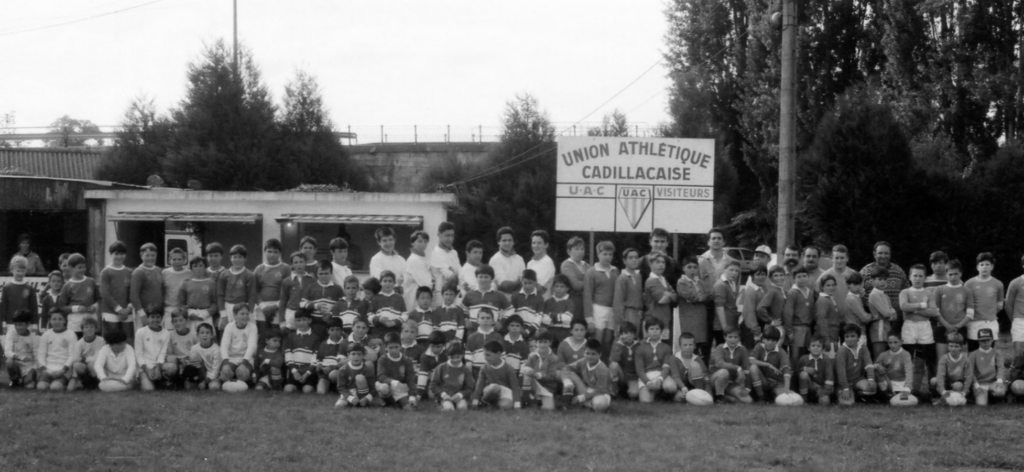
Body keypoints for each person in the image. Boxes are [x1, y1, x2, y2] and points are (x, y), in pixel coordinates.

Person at [899, 264, 938, 394]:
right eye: (915, 275)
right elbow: (903, 307)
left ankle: (933, 392)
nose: (917, 278)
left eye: (921, 276)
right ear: (910, 277)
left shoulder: (929, 293)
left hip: (925, 327)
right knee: (908, 360)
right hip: (909, 326)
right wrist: (921, 305)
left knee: (928, 360)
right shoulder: (905, 292)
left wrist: (913, 310)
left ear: (925, 278)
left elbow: (933, 312)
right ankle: (907, 390)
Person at [859, 241, 909, 335]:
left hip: (895, 318)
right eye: (880, 253)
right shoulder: (865, 272)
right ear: (874, 254)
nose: (883, 255)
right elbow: (858, 293)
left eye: (886, 253)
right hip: (875, 319)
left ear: (890, 254)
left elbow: (906, 290)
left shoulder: (898, 271)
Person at [964, 252, 1004, 352]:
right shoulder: (969, 283)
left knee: (989, 353)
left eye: (987, 264)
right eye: (982, 264)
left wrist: (988, 315)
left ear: (992, 266)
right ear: (977, 267)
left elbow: (999, 306)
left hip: (991, 322)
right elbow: (964, 305)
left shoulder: (998, 284)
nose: (984, 267)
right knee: (973, 353)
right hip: (974, 323)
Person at [585, 241, 619, 351]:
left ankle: (605, 366)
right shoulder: (591, 272)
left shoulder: (615, 271)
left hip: (612, 310)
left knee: (608, 341)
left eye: (610, 254)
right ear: (598, 254)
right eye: (605, 254)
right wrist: (589, 319)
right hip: (598, 310)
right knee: (597, 341)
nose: (608, 257)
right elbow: (587, 295)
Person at [217, 245, 258, 336]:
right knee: (228, 335)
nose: (237, 260)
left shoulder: (249, 275)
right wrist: (223, 314)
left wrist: (249, 313)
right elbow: (220, 295)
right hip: (228, 308)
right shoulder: (224, 274)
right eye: (234, 257)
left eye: (240, 257)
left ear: (245, 258)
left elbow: (252, 295)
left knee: (245, 334)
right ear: (230, 258)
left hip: (244, 308)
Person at [460, 264, 510, 337]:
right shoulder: (469, 294)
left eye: (486, 277)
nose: (483, 280)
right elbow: (462, 308)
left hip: (492, 332)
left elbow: (510, 309)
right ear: (476, 278)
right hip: (473, 332)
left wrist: (502, 322)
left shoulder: (499, 295)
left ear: (492, 279)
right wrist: (466, 319)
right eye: (480, 277)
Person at [564, 339, 612, 412]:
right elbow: (567, 367)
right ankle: (567, 400)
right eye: (587, 353)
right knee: (570, 373)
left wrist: (582, 397)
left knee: (599, 404)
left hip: (600, 393)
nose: (590, 356)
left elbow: (601, 390)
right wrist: (566, 381)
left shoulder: (602, 369)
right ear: (584, 353)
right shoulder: (583, 361)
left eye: (593, 354)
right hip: (585, 390)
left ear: (599, 354)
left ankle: (585, 403)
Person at [471, 340, 522, 409]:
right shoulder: (484, 368)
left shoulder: (509, 369)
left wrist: (517, 404)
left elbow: (515, 387)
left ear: (498, 354)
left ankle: (493, 405)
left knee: (505, 406)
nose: (485, 358)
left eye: (488, 355)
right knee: (495, 387)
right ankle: (483, 401)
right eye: (484, 355)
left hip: (505, 392)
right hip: (491, 390)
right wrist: (475, 400)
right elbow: (480, 385)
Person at [254, 238, 290, 335]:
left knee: (276, 335)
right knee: (262, 335)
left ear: (280, 253)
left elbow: (288, 291)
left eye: (275, 252)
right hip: (262, 308)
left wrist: (275, 306)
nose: (272, 254)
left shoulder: (286, 268)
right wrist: (263, 307)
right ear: (265, 252)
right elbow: (254, 290)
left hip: (279, 307)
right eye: (269, 251)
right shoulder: (259, 268)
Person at [57, 253, 98, 338]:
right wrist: (76, 309)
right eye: (79, 267)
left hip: (90, 322)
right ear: (71, 268)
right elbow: (61, 306)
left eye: (84, 267)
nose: (82, 270)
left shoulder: (91, 281)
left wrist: (95, 307)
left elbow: (99, 299)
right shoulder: (67, 285)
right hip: (75, 323)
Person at [520, 331, 564, 409]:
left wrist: (539, 375)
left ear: (550, 343)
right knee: (526, 373)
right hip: (534, 384)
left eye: (545, 342)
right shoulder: (532, 356)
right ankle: (525, 401)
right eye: (540, 342)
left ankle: (538, 399)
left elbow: (551, 376)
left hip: (547, 387)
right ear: (537, 343)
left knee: (548, 408)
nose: (542, 345)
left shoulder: (554, 358)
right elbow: (526, 368)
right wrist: (528, 370)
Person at [35, 309, 77, 391]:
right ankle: (49, 382)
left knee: (55, 388)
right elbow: (41, 354)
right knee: (41, 387)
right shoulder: (46, 335)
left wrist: (63, 370)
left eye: (60, 319)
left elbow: (72, 355)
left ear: (65, 320)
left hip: (63, 369)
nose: (57, 322)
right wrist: (44, 369)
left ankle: (66, 382)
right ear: (50, 321)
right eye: (54, 319)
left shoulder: (71, 334)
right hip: (48, 369)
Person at [677, 256, 709, 360]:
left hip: (701, 320)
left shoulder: (700, 283)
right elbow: (695, 297)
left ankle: (702, 372)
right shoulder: (682, 282)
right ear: (683, 268)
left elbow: (707, 296)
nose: (692, 270)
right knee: (691, 346)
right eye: (689, 267)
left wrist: (703, 296)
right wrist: (702, 296)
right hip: (689, 320)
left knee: (703, 348)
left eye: (695, 267)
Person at [635, 318, 674, 403]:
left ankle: (663, 394)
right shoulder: (640, 348)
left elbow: (666, 366)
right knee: (645, 401)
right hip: (647, 375)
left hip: (661, 375)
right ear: (646, 331)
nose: (655, 331)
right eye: (652, 329)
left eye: (657, 329)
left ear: (661, 331)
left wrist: (660, 379)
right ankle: (655, 393)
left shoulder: (666, 347)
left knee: (671, 387)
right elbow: (639, 369)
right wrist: (647, 382)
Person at [748, 327, 792, 403]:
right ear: (763, 339)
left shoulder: (781, 352)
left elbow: (787, 370)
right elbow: (750, 360)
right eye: (768, 340)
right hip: (764, 381)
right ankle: (761, 397)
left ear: (777, 341)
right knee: (753, 368)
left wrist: (787, 388)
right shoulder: (759, 346)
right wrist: (767, 364)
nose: (770, 342)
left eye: (773, 340)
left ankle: (772, 395)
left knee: (787, 401)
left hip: (777, 382)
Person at [302, 260, 344, 340]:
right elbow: (302, 303)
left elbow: (342, 305)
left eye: (326, 273)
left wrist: (331, 314)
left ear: (331, 273)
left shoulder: (337, 288)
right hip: (314, 324)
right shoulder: (311, 287)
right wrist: (315, 306)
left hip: (331, 325)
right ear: (316, 274)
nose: (323, 276)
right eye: (320, 274)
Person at [835, 324, 876, 403]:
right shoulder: (842, 350)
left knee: (871, 388)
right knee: (847, 404)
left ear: (858, 337)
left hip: (857, 379)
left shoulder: (863, 347)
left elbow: (869, 363)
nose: (849, 339)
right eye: (847, 336)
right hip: (845, 382)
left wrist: (871, 379)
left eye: (852, 336)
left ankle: (856, 394)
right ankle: (845, 392)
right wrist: (845, 387)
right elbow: (841, 372)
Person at [219, 303, 258, 386]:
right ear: (235, 315)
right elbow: (224, 346)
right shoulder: (229, 327)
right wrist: (226, 364)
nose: (245, 316)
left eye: (247, 314)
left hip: (245, 358)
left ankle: (248, 377)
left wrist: (244, 364)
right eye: (242, 314)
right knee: (225, 375)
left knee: (243, 374)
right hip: (231, 358)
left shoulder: (252, 327)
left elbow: (252, 347)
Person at [376, 332, 418, 409]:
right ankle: (388, 402)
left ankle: (398, 402)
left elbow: (411, 379)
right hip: (387, 385)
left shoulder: (407, 360)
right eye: (390, 348)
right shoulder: (382, 360)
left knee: (410, 408)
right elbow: (380, 376)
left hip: (400, 388)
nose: (394, 350)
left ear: (400, 346)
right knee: (383, 388)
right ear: (385, 347)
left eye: (396, 347)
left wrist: (412, 395)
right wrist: (392, 381)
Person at [784, 267, 815, 367]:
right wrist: (789, 331)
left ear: (808, 277)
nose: (802, 279)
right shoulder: (792, 292)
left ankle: (803, 377)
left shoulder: (810, 292)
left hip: (808, 328)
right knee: (795, 356)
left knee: (806, 355)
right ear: (794, 278)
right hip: (796, 328)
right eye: (799, 276)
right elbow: (788, 312)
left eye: (804, 276)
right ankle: (793, 377)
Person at [283, 309, 320, 394]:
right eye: (298, 320)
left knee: (307, 390)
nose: (301, 323)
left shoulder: (315, 337)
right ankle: (297, 385)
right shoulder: (290, 337)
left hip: (309, 372)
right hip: (295, 370)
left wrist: (307, 373)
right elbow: (288, 356)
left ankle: (308, 385)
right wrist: (294, 372)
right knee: (288, 390)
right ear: (295, 322)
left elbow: (315, 358)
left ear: (310, 320)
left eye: (304, 320)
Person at [710, 329, 751, 403]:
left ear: (739, 338)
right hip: (716, 379)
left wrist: (747, 388)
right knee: (724, 372)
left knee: (748, 400)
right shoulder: (720, 348)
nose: (733, 340)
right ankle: (719, 396)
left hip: (731, 382)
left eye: (735, 337)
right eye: (730, 337)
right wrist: (738, 368)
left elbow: (746, 369)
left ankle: (726, 397)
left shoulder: (742, 349)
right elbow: (720, 364)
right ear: (725, 337)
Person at [430, 342, 475, 411]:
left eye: (458, 357)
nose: (455, 360)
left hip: (459, 397)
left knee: (462, 408)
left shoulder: (465, 370)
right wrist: (443, 395)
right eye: (452, 357)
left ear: (462, 355)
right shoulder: (441, 367)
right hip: (445, 397)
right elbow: (433, 385)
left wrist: (460, 395)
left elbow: (469, 387)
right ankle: (441, 406)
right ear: (447, 355)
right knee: (449, 409)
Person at [818, 245, 857, 322]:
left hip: (850, 320)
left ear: (847, 258)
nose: (839, 261)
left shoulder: (854, 275)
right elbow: (818, 297)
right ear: (832, 259)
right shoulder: (824, 276)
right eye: (836, 258)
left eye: (842, 258)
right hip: (831, 321)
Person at [968, 328, 1007, 406]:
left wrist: (999, 381)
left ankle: (995, 396)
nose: (985, 343)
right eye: (982, 341)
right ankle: (983, 396)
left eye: (988, 340)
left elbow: (1000, 367)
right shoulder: (972, 354)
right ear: (978, 341)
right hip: (980, 383)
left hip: (993, 382)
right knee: (981, 404)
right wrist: (976, 385)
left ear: (992, 340)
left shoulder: (997, 353)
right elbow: (970, 372)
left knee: (999, 392)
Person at [666, 332, 709, 402]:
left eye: (690, 345)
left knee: (695, 365)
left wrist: (707, 394)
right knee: (679, 398)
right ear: (680, 346)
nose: (688, 347)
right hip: (680, 387)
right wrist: (683, 388)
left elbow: (706, 377)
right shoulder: (674, 358)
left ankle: (698, 394)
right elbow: (675, 376)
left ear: (695, 346)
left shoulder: (698, 359)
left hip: (694, 386)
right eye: (685, 345)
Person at [179, 257, 218, 333]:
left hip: (206, 316)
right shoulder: (186, 283)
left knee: (206, 340)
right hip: (191, 316)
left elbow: (215, 303)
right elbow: (181, 303)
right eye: (195, 266)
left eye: (201, 265)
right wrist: (188, 314)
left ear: (205, 267)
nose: (198, 268)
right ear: (191, 269)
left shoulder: (211, 283)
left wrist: (205, 314)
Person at [135, 309, 170, 391]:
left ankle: (161, 381)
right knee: (149, 389)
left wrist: (158, 367)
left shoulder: (166, 333)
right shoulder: (140, 332)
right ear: (147, 318)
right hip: (144, 367)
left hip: (158, 365)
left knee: (172, 368)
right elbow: (138, 354)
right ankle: (144, 379)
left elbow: (162, 353)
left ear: (162, 318)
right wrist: (147, 369)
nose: (155, 320)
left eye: (158, 317)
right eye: (152, 317)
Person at [279, 251, 314, 333]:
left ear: (306, 263)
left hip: (306, 313)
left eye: (301, 262)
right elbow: (283, 302)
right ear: (292, 264)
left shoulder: (312, 280)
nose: (299, 264)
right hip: (291, 314)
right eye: (296, 262)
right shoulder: (287, 281)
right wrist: (282, 322)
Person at [1, 255, 38, 333]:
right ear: (12, 270)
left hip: (26, 323)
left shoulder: (29, 288)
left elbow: (34, 307)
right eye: (18, 271)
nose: (20, 273)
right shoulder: (6, 288)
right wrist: (3, 322)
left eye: (22, 271)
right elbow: (3, 307)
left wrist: (34, 323)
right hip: (10, 323)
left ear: (25, 271)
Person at [645, 254, 677, 344]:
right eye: (658, 262)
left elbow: (675, 297)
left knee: (665, 349)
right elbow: (662, 300)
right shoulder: (651, 280)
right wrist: (670, 295)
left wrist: (669, 295)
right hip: (654, 321)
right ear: (650, 264)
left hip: (664, 320)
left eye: (663, 262)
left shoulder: (663, 279)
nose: (661, 265)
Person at [867, 267, 897, 359]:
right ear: (872, 281)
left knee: (885, 359)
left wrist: (891, 313)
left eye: (885, 279)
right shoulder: (873, 295)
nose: (883, 282)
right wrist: (890, 313)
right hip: (878, 330)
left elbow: (894, 315)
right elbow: (887, 313)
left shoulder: (886, 296)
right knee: (879, 359)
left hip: (886, 329)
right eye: (880, 279)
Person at [67, 316, 105, 391]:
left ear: (96, 329)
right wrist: (75, 376)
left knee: (92, 364)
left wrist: (86, 360)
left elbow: (98, 356)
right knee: (70, 388)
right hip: (83, 367)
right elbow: (76, 359)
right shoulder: (79, 343)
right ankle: (85, 382)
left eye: (91, 327)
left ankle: (96, 382)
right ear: (82, 330)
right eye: (86, 327)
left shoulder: (101, 340)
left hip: (96, 365)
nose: (89, 329)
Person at [334, 343, 377, 408]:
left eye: (359, 354)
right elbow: (341, 387)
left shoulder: (367, 369)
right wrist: (350, 398)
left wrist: (367, 398)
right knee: (338, 407)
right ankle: (353, 403)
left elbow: (373, 388)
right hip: (349, 394)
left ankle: (363, 402)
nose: (356, 356)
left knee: (360, 378)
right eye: (353, 354)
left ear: (363, 355)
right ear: (348, 355)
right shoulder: (343, 370)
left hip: (363, 394)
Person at [873, 331, 913, 399]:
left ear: (901, 342)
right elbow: (874, 365)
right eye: (890, 343)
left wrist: (907, 386)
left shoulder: (905, 354)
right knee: (876, 371)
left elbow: (909, 371)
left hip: (901, 383)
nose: (892, 345)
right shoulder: (883, 354)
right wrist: (878, 366)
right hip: (888, 383)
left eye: (895, 342)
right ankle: (886, 394)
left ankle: (889, 395)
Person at [4, 310, 39, 387]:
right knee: (9, 362)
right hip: (16, 364)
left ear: (28, 324)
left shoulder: (34, 338)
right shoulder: (11, 333)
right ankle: (15, 380)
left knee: (30, 387)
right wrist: (19, 357)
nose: (18, 327)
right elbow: (7, 352)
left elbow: (37, 359)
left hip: (29, 367)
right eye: (16, 325)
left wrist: (31, 372)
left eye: (20, 325)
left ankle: (26, 380)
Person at [368, 270, 406, 341]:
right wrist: (379, 319)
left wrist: (395, 322)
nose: (387, 283)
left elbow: (405, 315)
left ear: (394, 283)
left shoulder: (399, 298)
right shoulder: (376, 298)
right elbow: (369, 315)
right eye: (385, 281)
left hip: (395, 331)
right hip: (379, 331)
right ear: (380, 283)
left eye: (390, 281)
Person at [163, 311, 197, 388]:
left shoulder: (194, 335)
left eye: (181, 320)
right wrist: (179, 360)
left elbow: (198, 353)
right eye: (175, 321)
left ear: (187, 321)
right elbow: (169, 354)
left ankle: (190, 381)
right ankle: (173, 381)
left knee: (194, 358)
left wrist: (187, 360)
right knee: (171, 359)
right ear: (172, 323)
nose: (178, 323)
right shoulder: (170, 335)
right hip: (177, 362)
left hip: (190, 362)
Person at [183, 322, 222, 391]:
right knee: (193, 356)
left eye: (207, 333)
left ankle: (205, 384)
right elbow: (192, 366)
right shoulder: (194, 348)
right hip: (200, 374)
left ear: (212, 335)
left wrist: (206, 381)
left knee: (214, 388)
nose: (205, 335)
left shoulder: (216, 349)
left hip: (213, 376)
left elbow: (216, 370)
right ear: (198, 335)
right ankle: (196, 382)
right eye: (202, 333)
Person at [429, 222, 460, 306]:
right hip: (440, 299)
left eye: (452, 236)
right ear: (439, 235)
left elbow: (461, 275)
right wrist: (455, 275)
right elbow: (452, 279)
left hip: (454, 298)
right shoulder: (436, 253)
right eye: (447, 235)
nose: (450, 239)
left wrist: (455, 274)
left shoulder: (454, 253)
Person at [796, 336, 834, 404]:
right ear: (808, 348)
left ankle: (821, 397)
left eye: (819, 346)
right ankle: (804, 399)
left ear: (822, 349)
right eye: (813, 346)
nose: (816, 348)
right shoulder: (803, 359)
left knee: (825, 402)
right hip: (810, 385)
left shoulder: (826, 359)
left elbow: (830, 377)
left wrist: (825, 392)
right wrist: (804, 369)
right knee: (803, 374)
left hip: (822, 387)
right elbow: (796, 372)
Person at [613, 248, 644, 330]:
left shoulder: (638, 276)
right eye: (630, 258)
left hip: (637, 313)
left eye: (636, 257)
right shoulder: (622, 278)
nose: (634, 260)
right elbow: (618, 301)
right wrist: (620, 321)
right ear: (624, 261)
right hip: (627, 313)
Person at [697, 228, 735, 296]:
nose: (716, 240)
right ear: (708, 242)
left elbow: (735, 285)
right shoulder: (700, 262)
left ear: (724, 242)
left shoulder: (731, 262)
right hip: (706, 302)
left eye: (719, 238)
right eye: (713, 238)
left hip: (725, 301)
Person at [608, 321, 640, 400]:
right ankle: (614, 390)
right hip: (621, 375)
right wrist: (619, 345)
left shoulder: (638, 345)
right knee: (614, 365)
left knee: (634, 394)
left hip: (633, 376)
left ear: (634, 335)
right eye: (625, 333)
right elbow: (614, 360)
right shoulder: (617, 345)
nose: (628, 336)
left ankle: (624, 392)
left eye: (631, 334)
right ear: (621, 334)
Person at [314, 318, 347, 395]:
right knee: (320, 392)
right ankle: (330, 386)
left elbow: (344, 363)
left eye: (338, 329)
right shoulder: (323, 344)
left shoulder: (345, 343)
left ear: (342, 330)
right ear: (328, 331)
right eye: (332, 330)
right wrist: (319, 365)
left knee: (333, 375)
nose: (335, 332)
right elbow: (319, 359)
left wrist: (332, 368)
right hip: (324, 373)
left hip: (337, 372)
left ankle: (338, 386)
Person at [931, 332, 967, 402]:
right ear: (947, 346)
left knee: (958, 386)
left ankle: (955, 397)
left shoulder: (965, 360)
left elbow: (968, 377)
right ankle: (936, 397)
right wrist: (943, 392)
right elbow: (940, 376)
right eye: (951, 346)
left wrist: (965, 392)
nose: (953, 348)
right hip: (946, 383)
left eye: (956, 346)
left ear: (961, 347)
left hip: (958, 383)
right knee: (934, 381)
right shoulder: (943, 359)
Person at [402, 231, 434, 310]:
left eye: (425, 241)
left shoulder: (423, 258)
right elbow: (426, 283)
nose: (423, 244)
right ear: (412, 243)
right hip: (414, 300)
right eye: (419, 241)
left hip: (421, 298)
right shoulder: (414, 260)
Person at [560, 236, 590, 320]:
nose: (580, 252)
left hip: (587, 302)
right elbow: (576, 285)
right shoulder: (566, 265)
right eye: (576, 249)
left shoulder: (587, 265)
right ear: (568, 251)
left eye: (582, 249)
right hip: (573, 302)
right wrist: (590, 283)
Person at [162, 248, 192, 331]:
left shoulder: (189, 273)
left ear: (184, 260)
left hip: (184, 309)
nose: (177, 262)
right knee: (169, 334)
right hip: (169, 309)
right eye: (174, 259)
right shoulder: (165, 273)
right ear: (169, 260)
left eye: (179, 259)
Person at [757, 266, 787, 347]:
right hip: (774, 327)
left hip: (781, 326)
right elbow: (760, 308)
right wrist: (770, 321)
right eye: (776, 275)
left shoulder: (780, 290)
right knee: (772, 350)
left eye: (781, 275)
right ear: (770, 278)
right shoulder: (772, 291)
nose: (779, 278)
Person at [489, 227, 525, 295]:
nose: (507, 243)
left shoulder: (519, 259)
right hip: (501, 299)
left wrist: (522, 282)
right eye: (504, 240)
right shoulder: (495, 260)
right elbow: (504, 286)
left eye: (510, 240)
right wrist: (520, 282)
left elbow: (525, 282)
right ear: (498, 242)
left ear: (513, 242)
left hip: (518, 298)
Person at [466, 308, 502, 375]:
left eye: (488, 318)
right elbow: (468, 359)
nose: (485, 320)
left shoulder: (497, 337)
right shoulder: (472, 337)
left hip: (493, 370)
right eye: (482, 318)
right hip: (476, 370)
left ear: (493, 321)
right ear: (477, 320)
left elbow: (502, 356)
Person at [739, 265, 767, 349]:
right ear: (752, 276)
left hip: (760, 325)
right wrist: (756, 332)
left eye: (763, 274)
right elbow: (749, 312)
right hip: (751, 328)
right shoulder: (751, 290)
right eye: (758, 275)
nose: (761, 277)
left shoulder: (762, 288)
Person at [543, 275, 575, 345]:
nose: (559, 289)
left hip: (565, 333)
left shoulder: (569, 302)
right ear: (553, 288)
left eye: (562, 286)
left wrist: (552, 315)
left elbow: (568, 319)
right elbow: (545, 320)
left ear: (567, 288)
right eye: (556, 286)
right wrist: (560, 317)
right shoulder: (548, 302)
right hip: (550, 332)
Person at [511, 269, 544, 337]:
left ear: (535, 282)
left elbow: (539, 317)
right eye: (525, 283)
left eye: (530, 283)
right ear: (521, 282)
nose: (527, 286)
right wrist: (517, 328)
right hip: (516, 329)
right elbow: (511, 312)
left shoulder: (539, 298)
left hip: (532, 331)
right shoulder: (515, 295)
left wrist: (528, 331)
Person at [416, 331, 448, 400]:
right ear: (429, 345)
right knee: (432, 395)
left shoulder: (447, 354)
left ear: (444, 345)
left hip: (446, 380)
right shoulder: (424, 356)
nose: (435, 349)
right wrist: (419, 393)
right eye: (432, 346)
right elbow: (423, 375)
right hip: (432, 382)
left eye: (438, 347)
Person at [816, 276, 842, 354]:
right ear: (822, 287)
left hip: (833, 337)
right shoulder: (822, 300)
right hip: (827, 337)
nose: (831, 287)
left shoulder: (830, 299)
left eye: (833, 285)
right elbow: (821, 319)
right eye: (828, 285)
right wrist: (826, 339)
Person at [526, 230, 556, 298]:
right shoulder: (530, 263)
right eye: (533, 243)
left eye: (539, 243)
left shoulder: (548, 262)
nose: (536, 246)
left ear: (546, 245)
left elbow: (540, 288)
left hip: (543, 302)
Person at [1005, 255, 1024, 355]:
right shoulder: (1015, 283)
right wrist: (1015, 320)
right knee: (1019, 355)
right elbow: (1008, 304)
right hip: (1019, 322)